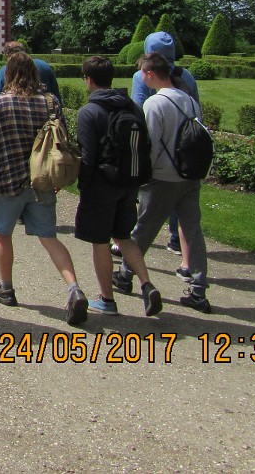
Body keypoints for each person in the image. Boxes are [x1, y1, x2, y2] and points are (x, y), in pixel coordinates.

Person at [0, 52, 89, 326]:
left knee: (3, 234)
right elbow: (62, 141)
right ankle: (74, 288)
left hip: (8, 180)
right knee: (49, 237)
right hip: (42, 180)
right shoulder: (50, 103)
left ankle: (6, 288)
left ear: (8, 75)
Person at [113, 52, 213, 312]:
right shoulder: (189, 101)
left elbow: (152, 145)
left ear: (149, 73)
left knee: (143, 227)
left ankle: (125, 275)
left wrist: (142, 177)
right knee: (192, 230)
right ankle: (199, 289)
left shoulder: (155, 104)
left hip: (163, 177)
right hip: (189, 175)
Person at [74, 55, 162, 316]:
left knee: (100, 242)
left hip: (101, 185)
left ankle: (106, 299)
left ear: (88, 80)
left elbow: (87, 157)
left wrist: (83, 186)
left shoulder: (89, 112)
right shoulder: (133, 107)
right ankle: (146, 284)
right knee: (124, 237)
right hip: (129, 182)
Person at [130, 31, 199, 258]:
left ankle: (128, 265)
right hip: (188, 152)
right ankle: (177, 243)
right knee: (187, 214)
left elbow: (138, 111)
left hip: (160, 154)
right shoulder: (186, 75)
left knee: (147, 212)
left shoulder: (142, 76)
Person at [0, 40, 61, 105]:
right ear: (24, 51)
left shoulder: (3, 71)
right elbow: (55, 94)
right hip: (43, 109)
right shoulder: (44, 66)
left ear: (7, 55)